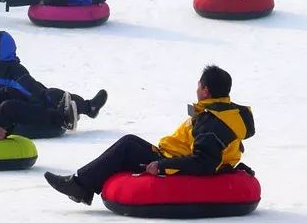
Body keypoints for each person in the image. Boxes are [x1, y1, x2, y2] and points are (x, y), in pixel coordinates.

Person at [44, 65, 255, 206]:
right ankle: (83, 185)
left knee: (127, 146)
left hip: (173, 162)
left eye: (199, 85)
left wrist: (161, 166)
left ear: (206, 90)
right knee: (131, 143)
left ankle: (79, 185)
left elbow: (203, 162)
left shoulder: (212, 121)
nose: (197, 89)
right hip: (169, 154)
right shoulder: (225, 112)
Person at [0, 30, 108, 124]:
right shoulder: (14, 70)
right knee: (49, 94)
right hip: (11, 116)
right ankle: (88, 107)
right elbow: (35, 93)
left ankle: (75, 108)